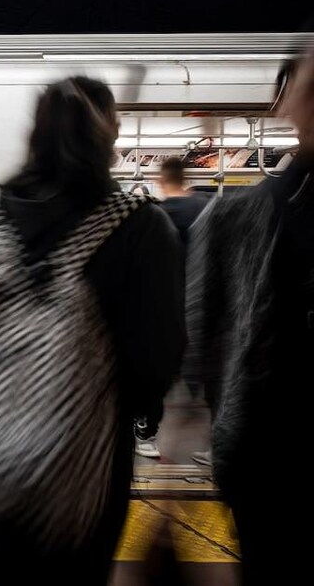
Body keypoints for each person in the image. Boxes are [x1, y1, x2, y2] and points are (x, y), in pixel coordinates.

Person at [0, 78, 185, 584]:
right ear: (109, 134)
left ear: (34, 134)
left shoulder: (0, 214)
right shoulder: (140, 225)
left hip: (1, 447)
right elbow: (158, 356)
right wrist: (141, 414)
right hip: (91, 454)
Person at [186, 53, 312, 585]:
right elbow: (205, 340)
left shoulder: (232, 218)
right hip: (270, 464)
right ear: (286, 103)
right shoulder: (232, 219)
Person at [132, 157, 212, 461]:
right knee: (205, 372)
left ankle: (147, 433)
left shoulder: (156, 215)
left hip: (163, 306)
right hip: (201, 300)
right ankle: (211, 442)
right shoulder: (207, 209)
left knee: (155, 369)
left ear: (161, 180)